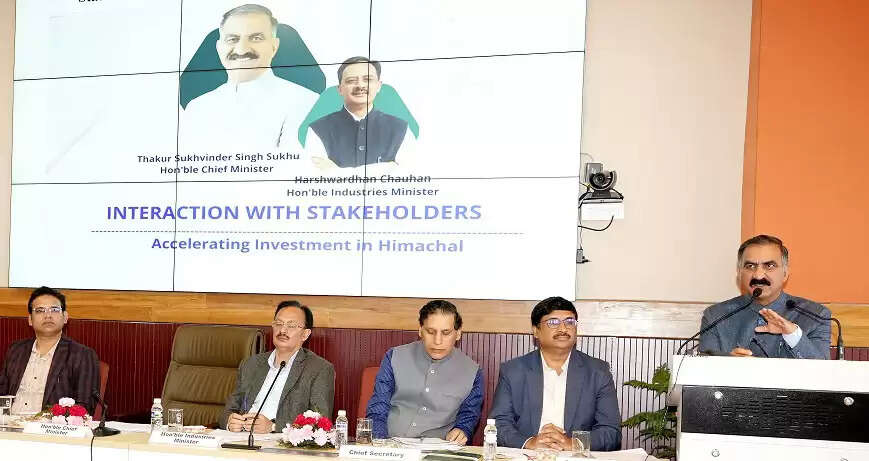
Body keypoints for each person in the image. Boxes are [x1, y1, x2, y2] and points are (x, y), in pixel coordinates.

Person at [489, 297, 621, 451]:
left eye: (569, 322)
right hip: (529, 455)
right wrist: (529, 443)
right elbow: (499, 424)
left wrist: (573, 443)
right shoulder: (513, 371)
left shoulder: (597, 372)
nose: (563, 328)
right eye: (553, 322)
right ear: (536, 331)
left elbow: (611, 431)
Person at [181, 4, 317, 151]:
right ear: (219, 47)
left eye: (256, 38)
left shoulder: (306, 101)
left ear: (274, 46)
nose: (242, 49)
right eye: (232, 39)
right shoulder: (197, 107)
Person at [366, 300, 482, 445]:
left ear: (458, 334)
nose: (437, 341)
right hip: (391, 444)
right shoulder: (394, 357)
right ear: (420, 331)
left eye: (446, 333)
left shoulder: (472, 372)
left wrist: (462, 429)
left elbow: (469, 415)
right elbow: (378, 407)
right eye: (430, 332)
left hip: (438, 449)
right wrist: (380, 443)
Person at [699, 234, 831, 359]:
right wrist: (728, 363)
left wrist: (793, 335)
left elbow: (823, 371)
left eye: (769, 266)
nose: (758, 275)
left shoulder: (815, 316)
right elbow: (702, 369)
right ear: (739, 273)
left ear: (785, 273)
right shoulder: (716, 316)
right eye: (750, 266)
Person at [220, 300, 335, 433]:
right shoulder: (251, 364)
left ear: (305, 334)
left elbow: (321, 422)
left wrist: (273, 427)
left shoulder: (319, 369)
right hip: (240, 438)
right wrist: (229, 421)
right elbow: (228, 411)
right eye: (279, 324)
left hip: (281, 441)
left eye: (291, 325)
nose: (282, 330)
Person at [0, 287, 100, 414]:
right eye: (40, 310)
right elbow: (2, 394)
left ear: (65, 317)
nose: (48, 315)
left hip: (49, 425)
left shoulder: (82, 355)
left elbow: (84, 406)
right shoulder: (16, 350)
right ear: (30, 320)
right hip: (9, 423)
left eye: (54, 310)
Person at [306, 57, 416, 171]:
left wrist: (336, 171)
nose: (360, 86)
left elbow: (407, 175)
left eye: (367, 79)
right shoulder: (317, 128)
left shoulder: (400, 127)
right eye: (351, 81)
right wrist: (386, 168)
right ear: (340, 89)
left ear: (379, 86)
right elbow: (316, 177)